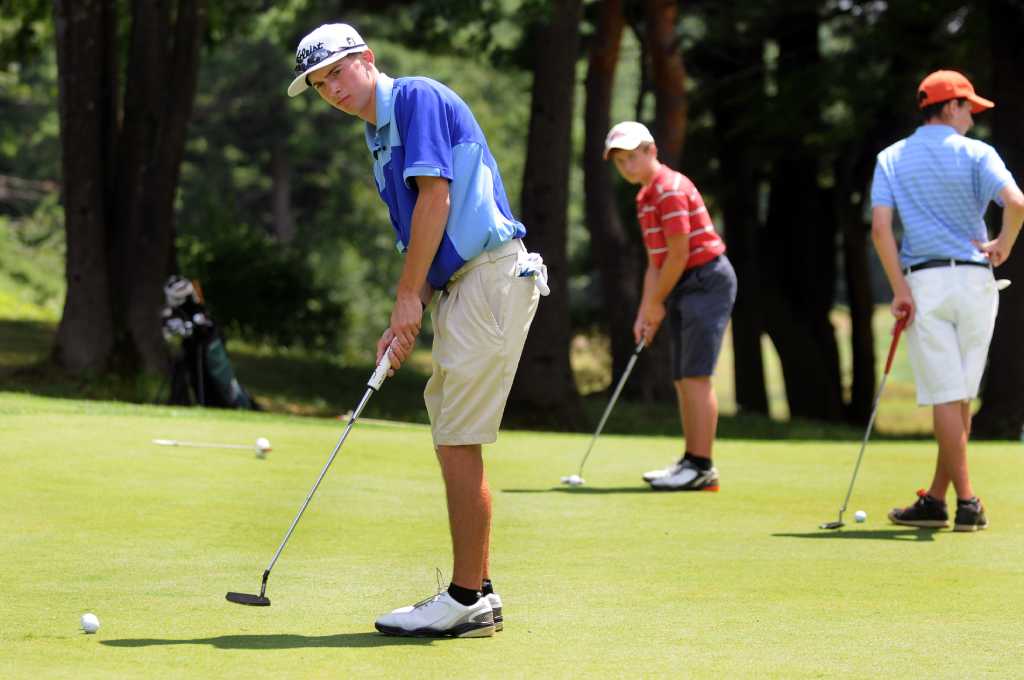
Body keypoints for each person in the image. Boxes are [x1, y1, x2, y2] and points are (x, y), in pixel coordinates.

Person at [288, 23, 546, 637]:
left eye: (337, 74)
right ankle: (476, 592)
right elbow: (419, 241)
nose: (332, 91)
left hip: (489, 276)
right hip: (460, 288)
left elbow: (437, 200)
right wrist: (405, 315)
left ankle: (465, 600)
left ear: (367, 60)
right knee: (452, 432)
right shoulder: (378, 139)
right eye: (320, 85)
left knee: (458, 438)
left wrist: (409, 296)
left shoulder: (416, 99)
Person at [870, 70, 1024, 532]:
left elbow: (880, 228)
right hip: (977, 281)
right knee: (957, 399)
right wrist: (1004, 245)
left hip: (926, 283)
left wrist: (897, 288)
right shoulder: (979, 153)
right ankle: (938, 500)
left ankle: (967, 501)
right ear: (951, 106)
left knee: (948, 396)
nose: (973, 117)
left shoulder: (891, 157)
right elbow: (1017, 203)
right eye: (969, 108)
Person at [603, 121, 737, 491]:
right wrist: (646, 309)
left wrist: (657, 303)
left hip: (705, 280)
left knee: (695, 376)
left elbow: (679, 255)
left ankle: (702, 466)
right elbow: (656, 261)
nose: (627, 167)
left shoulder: (671, 190)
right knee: (682, 377)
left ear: (651, 151)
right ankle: (691, 461)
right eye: (620, 162)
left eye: (633, 157)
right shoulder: (646, 196)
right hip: (681, 283)